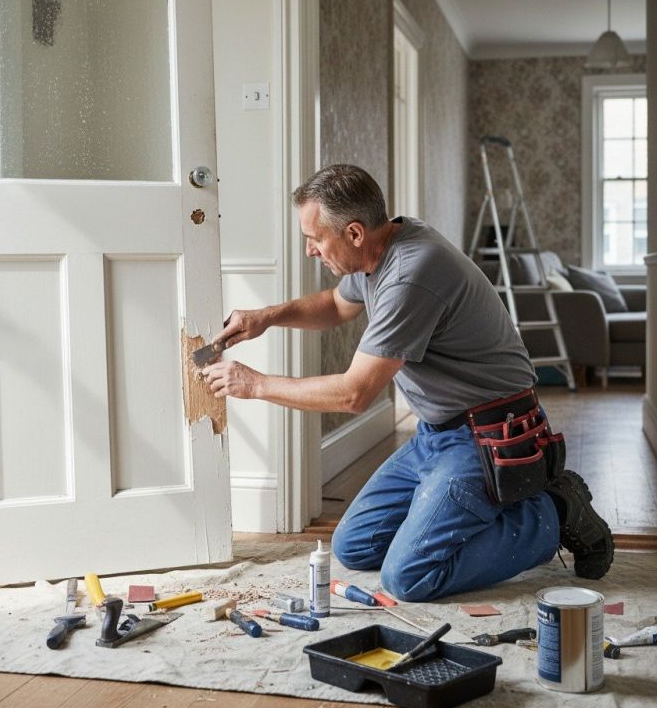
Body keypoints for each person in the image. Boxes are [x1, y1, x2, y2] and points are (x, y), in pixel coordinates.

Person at [201, 163, 614, 602]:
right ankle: (454, 512)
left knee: (409, 578)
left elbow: (353, 394)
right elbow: (336, 307)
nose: (310, 251)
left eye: (315, 239)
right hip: (436, 436)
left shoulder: (410, 273)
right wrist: (265, 318)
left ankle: (554, 509)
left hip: (489, 438)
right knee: (353, 546)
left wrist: (256, 384)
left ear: (355, 233)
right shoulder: (382, 245)